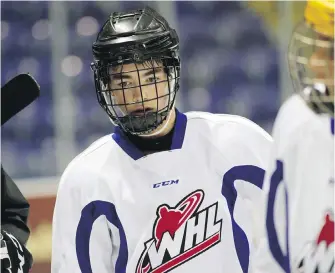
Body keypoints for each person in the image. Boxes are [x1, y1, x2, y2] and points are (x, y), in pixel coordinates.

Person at [51, 6, 272, 273]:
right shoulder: (85, 179)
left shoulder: (236, 141)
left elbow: (297, 224)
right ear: (105, 88)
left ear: (171, 75)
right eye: (123, 83)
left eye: (151, 77)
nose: (139, 95)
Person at [253, 1, 334, 273]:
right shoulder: (298, 117)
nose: (314, 64)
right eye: (317, 47)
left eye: (331, 53)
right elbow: (274, 239)